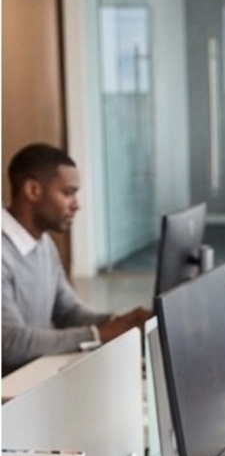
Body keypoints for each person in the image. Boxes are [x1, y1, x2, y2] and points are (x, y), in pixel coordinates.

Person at [2, 143, 152, 377]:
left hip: (29, 375)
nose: (77, 204)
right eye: (68, 193)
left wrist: (120, 322)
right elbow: (10, 342)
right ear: (32, 190)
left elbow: (67, 311)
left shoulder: (42, 241)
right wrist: (98, 334)